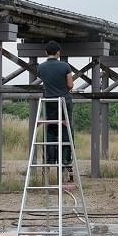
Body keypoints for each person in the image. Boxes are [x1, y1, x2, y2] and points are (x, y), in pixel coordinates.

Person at [37, 41, 75, 180]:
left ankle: (49, 161)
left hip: (49, 102)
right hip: (64, 101)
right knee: (66, 130)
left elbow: (45, 81)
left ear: (46, 52)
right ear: (58, 52)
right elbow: (70, 85)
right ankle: (66, 163)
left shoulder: (41, 67)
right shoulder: (65, 66)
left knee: (50, 131)